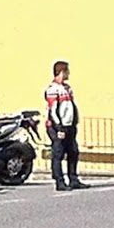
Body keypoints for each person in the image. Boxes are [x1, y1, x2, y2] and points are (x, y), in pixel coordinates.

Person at [44, 59, 86, 191]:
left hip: (69, 125)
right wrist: (59, 128)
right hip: (57, 126)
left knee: (73, 152)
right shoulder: (52, 89)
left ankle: (73, 179)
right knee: (58, 153)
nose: (69, 74)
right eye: (67, 71)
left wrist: (74, 122)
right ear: (62, 72)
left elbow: (70, 106)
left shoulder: (67, 88)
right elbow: (53, 110)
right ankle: (59, 181)